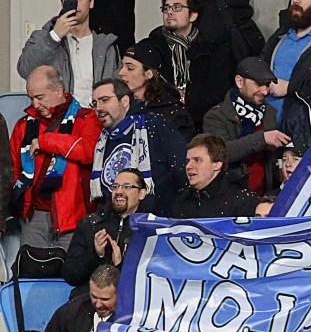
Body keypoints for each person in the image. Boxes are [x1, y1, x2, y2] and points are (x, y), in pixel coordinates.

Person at [10, 66, 102, 250]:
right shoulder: (23, 125)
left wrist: (46, 141)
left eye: (40, 97)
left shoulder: (87, 118)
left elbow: (88, 151)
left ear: (59, 90)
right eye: (31, 98)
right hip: (33, 217)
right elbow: (13, 170)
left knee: (70, 269)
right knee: (30, 268)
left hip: (73, 217)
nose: (35, 104)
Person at [18, 0, 121, 106]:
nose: (75, 3)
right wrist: (54, 37)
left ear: (91, 2)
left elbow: (118, 89)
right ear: (62, 3)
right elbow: (25, 70)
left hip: (96, 115)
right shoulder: (43, 37)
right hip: (58, 115)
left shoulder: (107, 46)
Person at [89, 76, 186, 215]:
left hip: (156, 218)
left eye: (105, 100)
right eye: (94, 103)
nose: (98, 108)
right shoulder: (103, 139)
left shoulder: (155, 124)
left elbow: (180, 170)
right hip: (115, 221)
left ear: (124, 101)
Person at [147, 0, 237, 129]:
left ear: (193, 15)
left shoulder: (213, 48)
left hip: (200, 124)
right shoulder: (151, 47)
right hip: (160, 123)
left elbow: (218, 92)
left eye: (177, 8)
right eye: (166, 8)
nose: (170, 12)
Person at [202, 56, 287, 196]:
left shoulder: (269, 113)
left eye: (267, 85)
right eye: (259, 84)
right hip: (230, 196)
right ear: (240, 82)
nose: (265, 91)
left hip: (264, 196)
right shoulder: (216, 117)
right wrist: (262, 139)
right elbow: (221, 154)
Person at [63, 169, 145, 286]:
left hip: (130, 294)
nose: (119, 191)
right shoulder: (90, 224)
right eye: (115, 186)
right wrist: (95, 255)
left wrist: (120, 266)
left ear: (141, 194)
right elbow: (70, 275)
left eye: (126, 187)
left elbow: (152, 279)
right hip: (89, 294)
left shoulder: (149, 230)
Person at [170, 134, 267, 218]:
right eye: (187, 161)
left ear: (217, 164)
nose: (188, 166)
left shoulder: (242, 201)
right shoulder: (181, 200)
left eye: (197, 160)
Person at [117, 39, 195, 138]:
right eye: (122, 67)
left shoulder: (174, 114)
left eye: (130, 68)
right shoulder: (118, 105)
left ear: (149, 74)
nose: (121, 73)